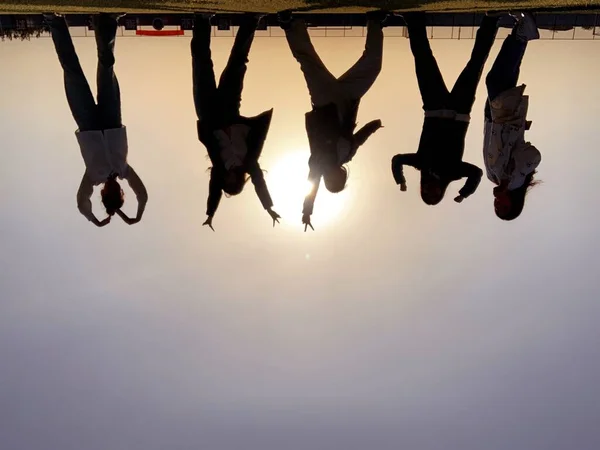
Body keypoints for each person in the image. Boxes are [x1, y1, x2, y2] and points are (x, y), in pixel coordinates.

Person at [279, 10, 388, 231]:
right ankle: (374, 21)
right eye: (340, 180)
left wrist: (307, 211)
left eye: (333, 182)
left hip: (325, 102)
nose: (336, 177)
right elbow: (359, 139)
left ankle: (290, 25)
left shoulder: (318, 164)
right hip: (348, 99)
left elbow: (312, 186)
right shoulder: (346, 155)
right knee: (372, 67)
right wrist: (373, 127)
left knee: (309, 63)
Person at [45, 13, 148, 227]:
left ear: (102, 193)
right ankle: (106, 21)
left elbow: (81, 202)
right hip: (112, 121)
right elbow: (142, 195)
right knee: (107, 66)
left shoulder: (92, 177)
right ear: (121, 191)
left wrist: (94, 220)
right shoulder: (124, 170)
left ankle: (54, 21)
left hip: (87, 124)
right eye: (118, 193)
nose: (114, 190)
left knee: (72, 72)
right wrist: (135, 215)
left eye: (109, 195)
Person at [392, 12, 500, 206]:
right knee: (476, 63)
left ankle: (414, 19)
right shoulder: (454, 172)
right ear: (442, 191)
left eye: (426, 193)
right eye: (436, 195)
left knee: (423, 60)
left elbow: (397, 159)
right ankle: (491, 20)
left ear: (422, 188)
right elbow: (476, 173)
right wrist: (464, 193)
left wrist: (400, 181)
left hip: (433, 107)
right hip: (459, 111)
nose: (431, 190)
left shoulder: (420, 163)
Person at [192, 13, 280, 231]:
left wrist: (210, 213)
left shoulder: (218, 168)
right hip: (230, 109)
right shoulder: (250, 163)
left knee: (201, 64)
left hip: (209, 115)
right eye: (234, 184)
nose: (229, 180)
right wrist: (268, 208)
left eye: (226, 184)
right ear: (240, 181)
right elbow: (260, 184)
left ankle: (202, 20)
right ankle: (251, 21)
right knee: (238, 62)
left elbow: (213, 191)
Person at [483, 12, 541, 221]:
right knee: (496, 79)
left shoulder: (493, 177)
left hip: (494, 118)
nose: (498, 203)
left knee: (505, 76)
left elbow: (490, 142)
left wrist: (488, 118)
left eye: (497, 207)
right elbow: (534, 155)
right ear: (513, 203)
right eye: (504, 207)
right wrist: (510, 181)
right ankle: (523, 32)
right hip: (507, 118)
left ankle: (521, 30)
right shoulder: (517, 179)